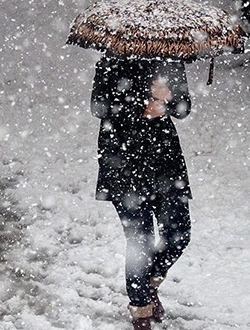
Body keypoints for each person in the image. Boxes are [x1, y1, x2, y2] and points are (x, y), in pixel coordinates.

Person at [90, 55, 192, 330]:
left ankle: (148, 283)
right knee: (141, 242)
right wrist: (144, 102)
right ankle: (140, 311)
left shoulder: (170, 59)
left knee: (179, 233)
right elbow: (99, 107)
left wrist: (168, 99)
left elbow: (183, 108)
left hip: (165, 163)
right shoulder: (111, 61)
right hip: (122, 162)